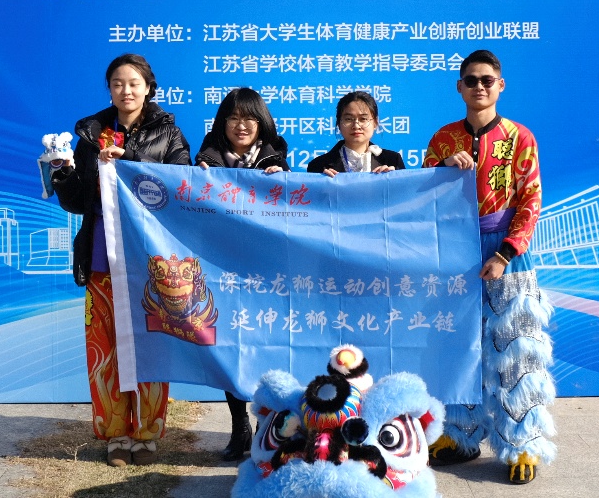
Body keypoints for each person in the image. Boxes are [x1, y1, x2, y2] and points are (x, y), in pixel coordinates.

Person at [421, 49, 556, 485]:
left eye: (486, 80)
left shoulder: (520, 137)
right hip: (455, 252)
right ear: (459, 87)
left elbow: (531, 199)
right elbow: (421, 192)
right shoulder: (443, 139)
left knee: (516, 348)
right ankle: (459, 434)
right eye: (471, 80)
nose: (479, 86)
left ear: (500, 86)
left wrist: (505, 253)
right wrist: (443, 168)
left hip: (506, 252)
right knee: (458, 343)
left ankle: (523, 444)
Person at [51, 54, 191, 468]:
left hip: (150, 257)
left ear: (149, 88)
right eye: (117, 83)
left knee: (152, 344)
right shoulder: (91, 134)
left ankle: (147, 433)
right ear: (109, 89)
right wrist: (64, 173)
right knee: (105, 348)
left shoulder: (169, 134)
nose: (125, 90)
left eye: (133, 83)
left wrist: (129, 166)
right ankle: (115, 434)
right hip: (101, 255)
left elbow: (182, 188)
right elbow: (76, 201)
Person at [194, 88, 288, 461]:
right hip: (221, 269)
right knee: (229, 347)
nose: (241, 125)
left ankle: (270, 427)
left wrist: (283, 180)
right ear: (222, 124)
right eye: (233, 118)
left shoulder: (277, 159)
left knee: (268, 346)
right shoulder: (205, 163)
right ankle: (239, 427)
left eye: (249, 117)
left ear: (261, 122)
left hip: (266, 272)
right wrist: (199, 182)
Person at [306, 90, 405, 175]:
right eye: (348, 119)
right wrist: (323, 183)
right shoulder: (318, 166)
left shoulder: (392, 161)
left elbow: (407, 191)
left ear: (375, 122)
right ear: (339, 124)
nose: (356, 126)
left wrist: (393, 179)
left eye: (363, 119)